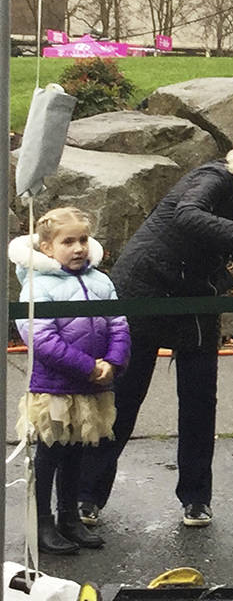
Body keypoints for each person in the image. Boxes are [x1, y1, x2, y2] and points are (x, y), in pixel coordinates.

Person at [79, 124, 233, 530]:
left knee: (200, 401)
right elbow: (188, 215)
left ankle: (196, 500)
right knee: (125, 397)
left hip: (197, 296)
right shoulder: (214, 177)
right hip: (145, 289)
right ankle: (87, 495)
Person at [10, 208, 130, 555]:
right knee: (50, 453)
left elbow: (119, 324)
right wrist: (87, 366)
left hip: (91, 385)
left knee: (77, 451)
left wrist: (113, 361)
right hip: (54, 387)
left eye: (83, 240)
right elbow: (41, 338)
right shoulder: (38, 286)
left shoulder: (101, 282)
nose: (78, 248)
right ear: (47, 247)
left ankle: (69, 517)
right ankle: (41, 522)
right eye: (68, 242)